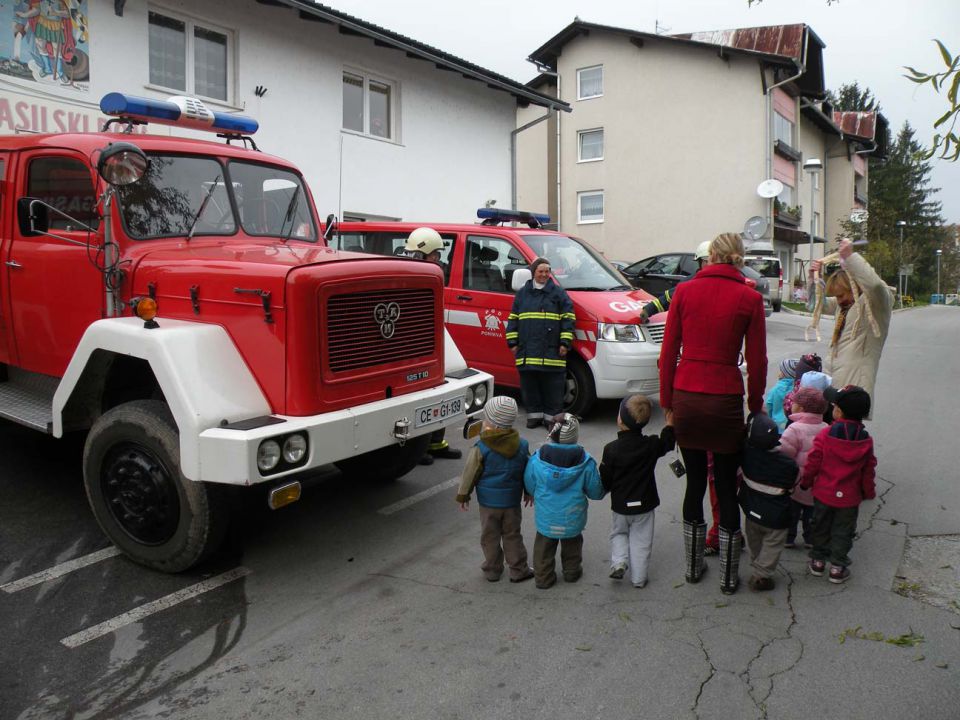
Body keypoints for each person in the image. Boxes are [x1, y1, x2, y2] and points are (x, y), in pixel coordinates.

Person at [659, 232, 767, 595]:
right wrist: (755, 405)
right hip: (724, 399)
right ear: (739, 257)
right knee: (725, 484)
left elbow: (668, 350)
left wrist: (667, 403)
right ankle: (727, 576)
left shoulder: (685, 292)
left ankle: (692, 568)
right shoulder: (750, 298)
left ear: (711, 257)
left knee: (692, 483)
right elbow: (758, 359)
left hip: (687, 395)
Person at [807, 238, 893, 419]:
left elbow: (875, 285)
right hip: (835, 383)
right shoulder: (844, 307)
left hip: (854, 387)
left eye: (841, 294)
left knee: (846, 438)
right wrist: (813, 280)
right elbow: (815, 306)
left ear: (852, 286)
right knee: (832, 439)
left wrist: (851, 257)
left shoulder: (876, 304)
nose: (838, 300)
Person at [799, 385, 877, 584]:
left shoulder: (826, 434)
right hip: (850, 498)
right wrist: (868, 492)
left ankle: (817, 562)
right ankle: (837, 567)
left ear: (839, 411)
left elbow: (814, 461)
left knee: (820, 526)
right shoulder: (865, 440)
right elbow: (868, 470)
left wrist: (806, 482)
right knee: (843, 531)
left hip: (824, 493)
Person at [455, 396, 534, 583]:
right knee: (512, 534)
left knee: (489, 536)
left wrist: (463, 495)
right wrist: (529, 492)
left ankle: (492, 569)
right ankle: (518, 570)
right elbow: (529, 472)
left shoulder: (481, 447)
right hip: (512, 503)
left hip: (488, 504)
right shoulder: (522, 445)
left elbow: (470, 472)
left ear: (491, 423)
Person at [599, 394, 675, 588]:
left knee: (619, 533)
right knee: (641, 541)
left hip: (621, 505)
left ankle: (619, 562)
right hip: (645, 503)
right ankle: (639, 578)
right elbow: (667, 443)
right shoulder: (650, 445)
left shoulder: (611, 449)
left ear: (620, 420)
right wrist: (669, 424)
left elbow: (605, 478)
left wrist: (603, 489)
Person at [401, 227, 462, 465]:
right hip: (413, 347)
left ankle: (437, 443)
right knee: (418, 398)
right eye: (434, 255)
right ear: (419, 254)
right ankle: (418, 448)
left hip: (430, 343)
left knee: (438, 392)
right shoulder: (408, 276)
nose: (439, 260)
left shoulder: (432, 274)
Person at [523, 414, 604, 589]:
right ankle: (572, 572)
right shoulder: (585, 462)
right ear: (575, 436)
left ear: (551, 434)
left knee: (543, 549)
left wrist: (532, 493)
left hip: (547, 517)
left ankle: (543, 578)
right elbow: (595, 492)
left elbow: (530, 484)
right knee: (572, 545)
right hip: (572, 516)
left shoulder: (537, 459)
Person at [506, 257, 575, 428]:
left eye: (547, 271)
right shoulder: (522, 293)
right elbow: (513, 319)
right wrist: (512, 343)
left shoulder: (558, 293)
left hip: (551, 351)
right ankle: (534, 416)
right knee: (530, 386)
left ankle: (552, 419)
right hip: (527, 351)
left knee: (553, 387)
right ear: (533, 273)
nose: (544, 274)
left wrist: (565, 343)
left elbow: (568, 318)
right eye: (540, 271)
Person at [737, 414, 798, 592]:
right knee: (772, 545)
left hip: (751, 509)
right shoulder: (788, 465)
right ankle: (762, 575)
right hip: (776, 516)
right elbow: (793, 484)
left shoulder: (746, 454)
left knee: (754, 539)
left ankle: (757, 563)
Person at [777, 387, 829, 549]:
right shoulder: (827, 428)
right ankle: (810, 538)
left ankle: (789, 537)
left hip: (796, 481)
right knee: (811, 512)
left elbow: (784, 454)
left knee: (792, 511)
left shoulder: (794, 429)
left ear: (800, 408)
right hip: (817, 481)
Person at [638, 240, 711, 323]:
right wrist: (649, 309)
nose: (710, 264)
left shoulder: (726, 284)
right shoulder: (690, 282)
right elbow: (669, 298)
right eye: (706, 261)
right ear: (701, 262)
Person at [766, 358, 798, 430]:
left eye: (781, 371)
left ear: (784, 374)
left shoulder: (775, 389)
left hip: (776, 425)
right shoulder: (797, 389)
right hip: (792, 425)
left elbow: (769, 405)